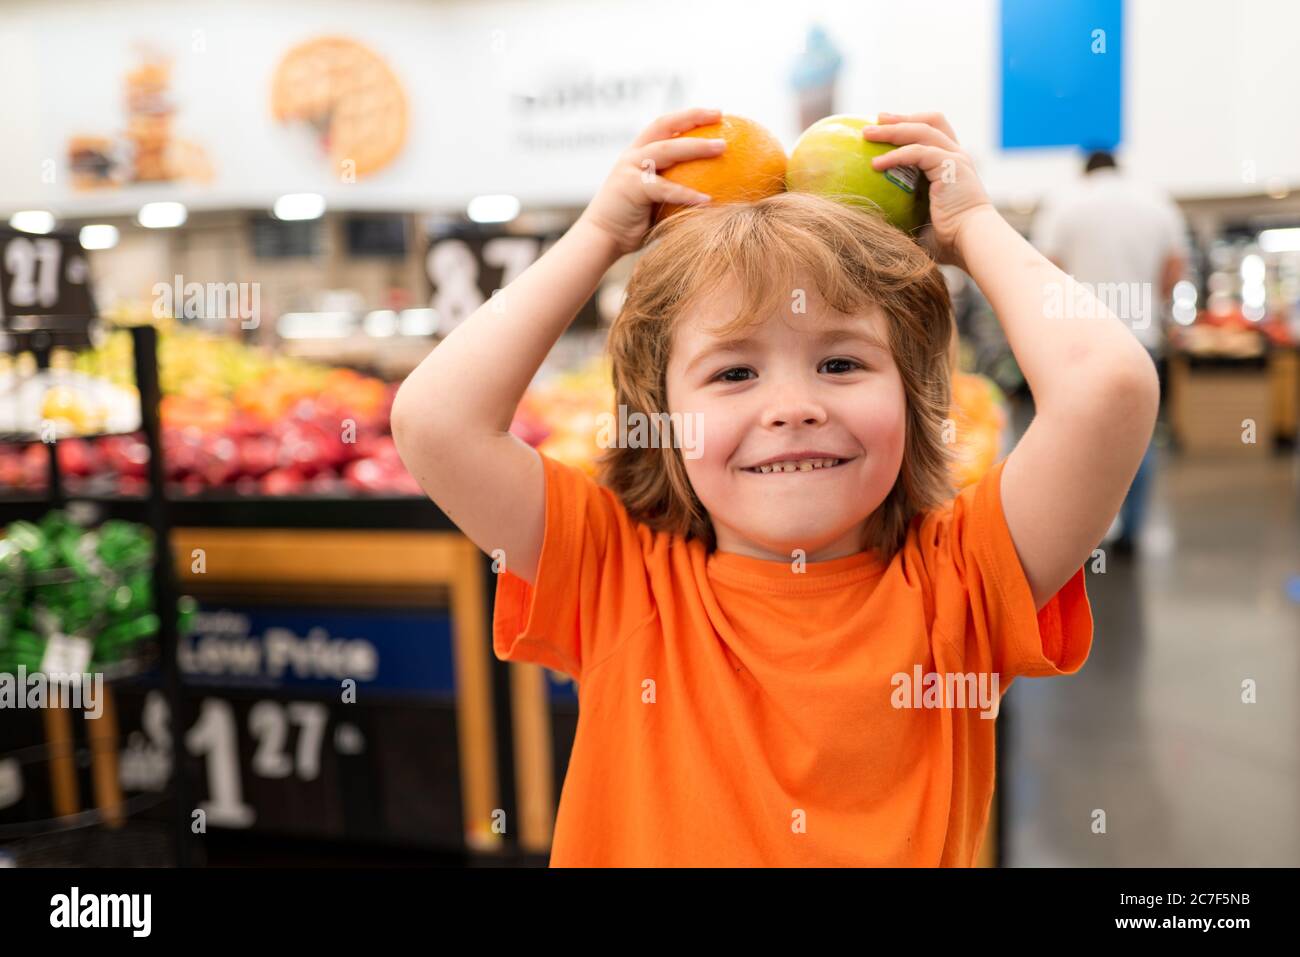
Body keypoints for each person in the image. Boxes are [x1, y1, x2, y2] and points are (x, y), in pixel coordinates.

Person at [391, 109, 1159, 866]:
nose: (793, 406)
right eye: (734, 372)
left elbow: (1108, 387)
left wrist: (974, 228)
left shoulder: (963, 580)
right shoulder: (617, 574)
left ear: (916, 393)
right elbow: (436, 420)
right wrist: (597, 239)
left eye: (841, 363)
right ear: (661, 414)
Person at [1031, 150, 1188, 555]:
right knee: (1141, 435)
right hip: (1140, 336)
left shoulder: (1063, 203)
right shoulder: (1157, 203)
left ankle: (1083, 536)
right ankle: (1131, 533)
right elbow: (1174, 269)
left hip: (1080, 337)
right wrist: (1150, 303)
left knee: (1075, 433)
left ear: (1084, 171)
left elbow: (1045, 269)